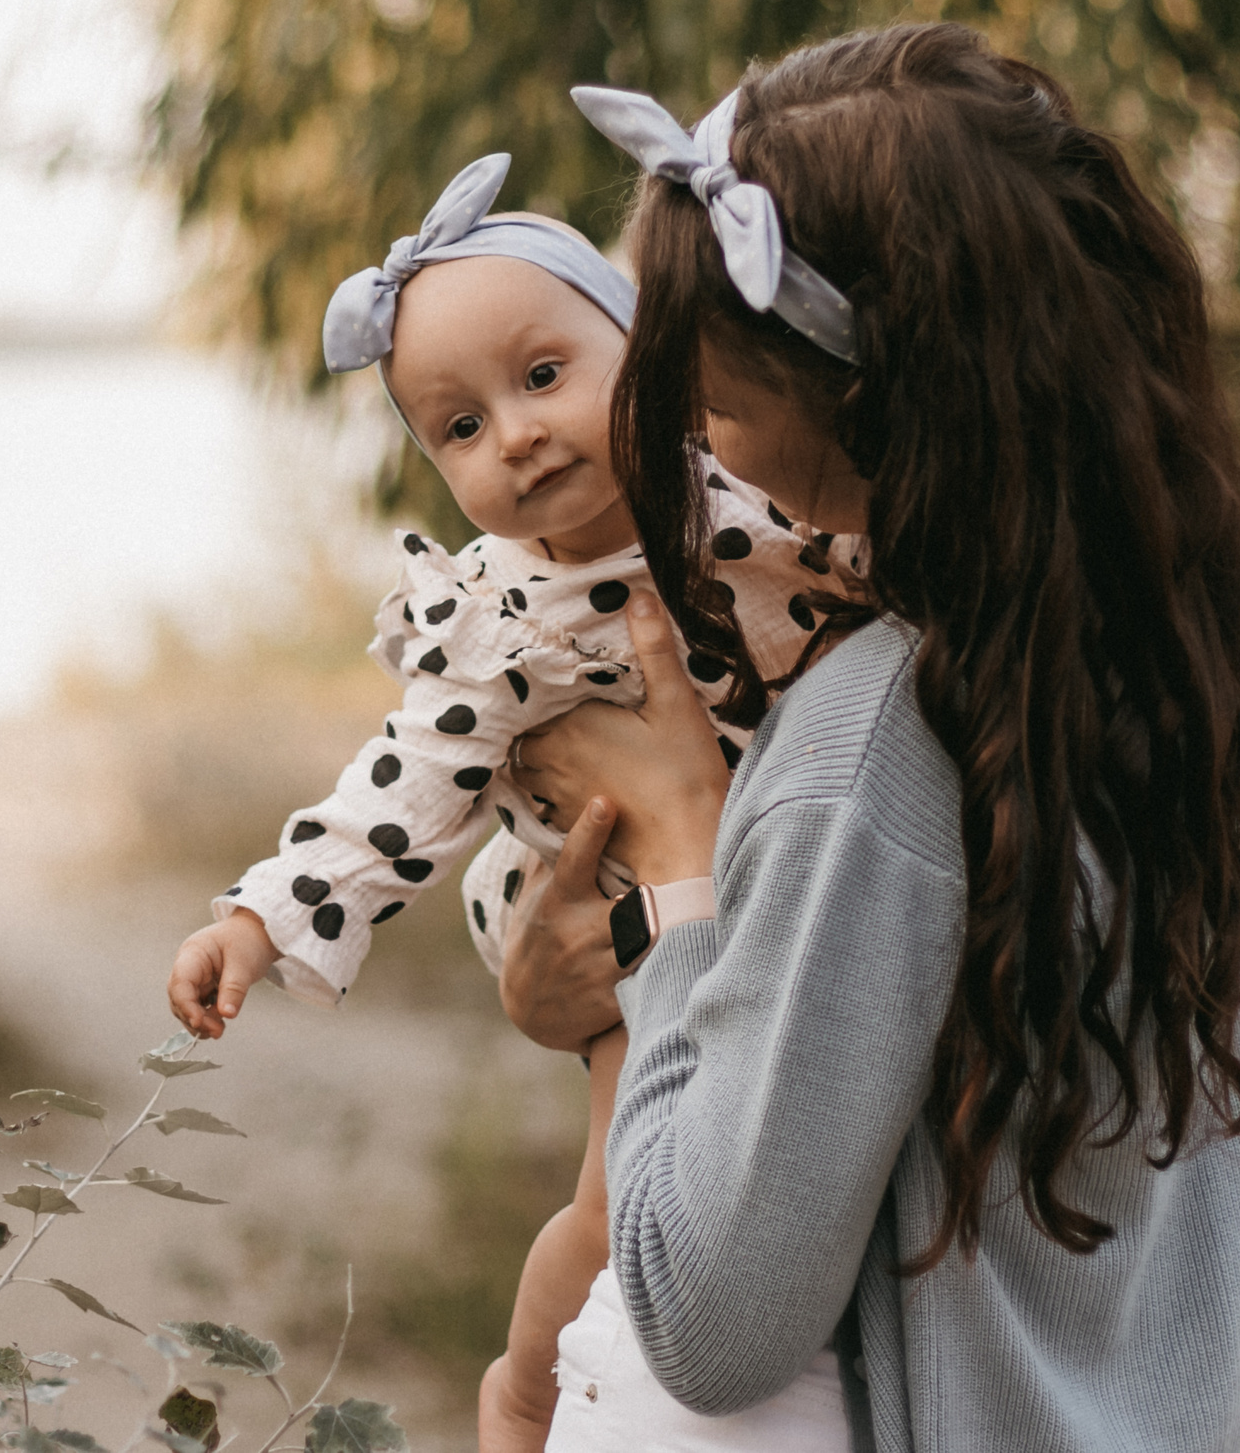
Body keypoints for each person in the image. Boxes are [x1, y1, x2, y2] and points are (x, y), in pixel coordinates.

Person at [502, 21, 1240, 1451]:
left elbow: (707, 1319)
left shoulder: (883, 741)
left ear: (875, 408)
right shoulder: (1203, 646)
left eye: (720, 407)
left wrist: (685, 870)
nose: (690, 445)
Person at [161, 151, 865, 1453]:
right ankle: (527, 1393)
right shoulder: (497, 625)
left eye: (543, 377)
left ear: (647, 357)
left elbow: (856, 580)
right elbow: (401, 786)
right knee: (624, 1204)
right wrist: (257, 923)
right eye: (463, 428)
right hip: (605, 903)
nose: (518, 435)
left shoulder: (747, 494)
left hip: (759, 865)